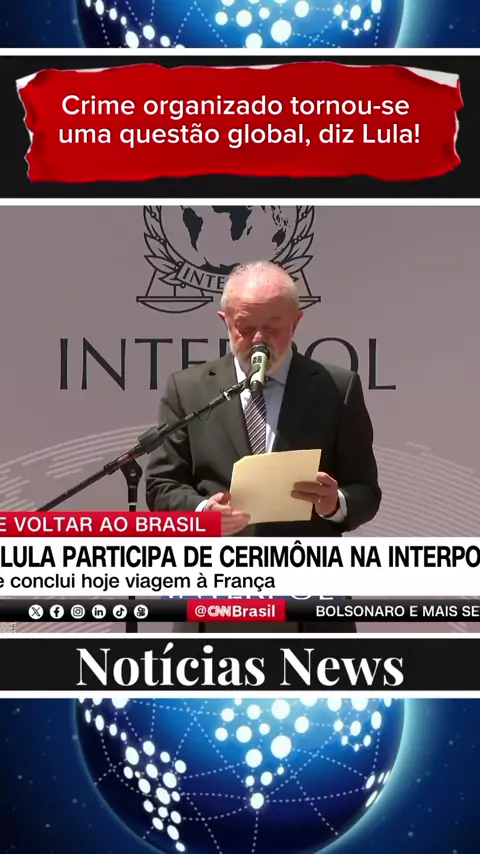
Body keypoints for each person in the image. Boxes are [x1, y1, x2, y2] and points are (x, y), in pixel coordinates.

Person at [145, 261, 381, 632]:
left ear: (296, 322)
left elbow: (366, 490)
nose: (259, 340)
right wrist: (203, 512)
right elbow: (161, 485)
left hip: (308, 606)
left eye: (272, 328)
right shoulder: (189, 389)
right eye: (245, 328)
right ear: (225, 321)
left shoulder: (336, 388)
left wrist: (335, 503)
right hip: (213, 601)